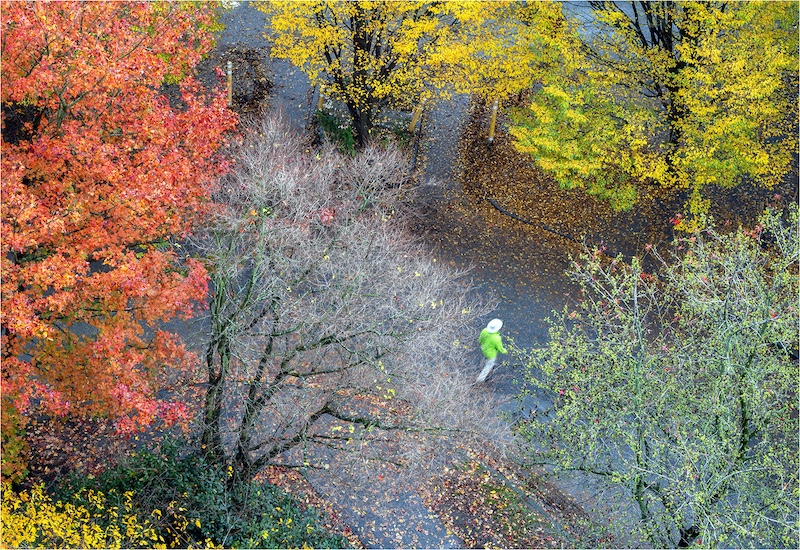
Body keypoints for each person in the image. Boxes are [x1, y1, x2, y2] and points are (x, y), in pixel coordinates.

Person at [476, 318, 506, 383]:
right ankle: (480, 379)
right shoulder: (496, 338)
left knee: (486, 359)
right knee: (488, 365)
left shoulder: (484, 331)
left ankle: (486, 364)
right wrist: (504, 351)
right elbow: (500, 348)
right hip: (491, 354)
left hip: (484, 349)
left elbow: (480, 339)